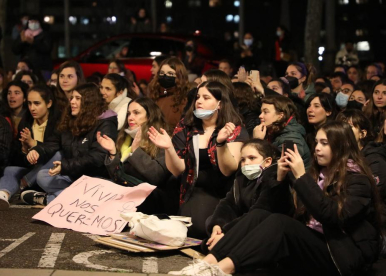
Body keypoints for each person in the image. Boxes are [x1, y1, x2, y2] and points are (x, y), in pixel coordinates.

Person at [169, 121, 383, 276]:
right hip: (314, 242)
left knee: (280, 224)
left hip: (340, 254)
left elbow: (331, 215)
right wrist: (280, 179)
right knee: (262, 215)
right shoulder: (317, 175)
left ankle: (219, 270)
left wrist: (299, 177)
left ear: (341, 147)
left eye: (325, 143)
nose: (317, 147)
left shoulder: (359, 181)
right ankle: (207, 264)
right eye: (316, 142)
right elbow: (275, 209)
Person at [149, 81, 248, 238]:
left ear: (220, 104)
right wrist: (169, 148)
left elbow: (228, 169)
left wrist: (221, 143)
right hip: (193, 190)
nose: (199, 101)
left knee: (203, 228)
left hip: (223, 192)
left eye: (206, 97)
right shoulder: (186, 127)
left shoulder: (233, 129)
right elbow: (177, 169)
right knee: (192, 227)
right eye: (197, 97)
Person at [20, 83, 117, 205]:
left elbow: (98, 157)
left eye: (77, 98)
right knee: (42, 176)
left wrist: (65, 166)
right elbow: (53, 143)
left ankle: (47, 199)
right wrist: (37, 150)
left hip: (96, 178)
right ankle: (71, 198)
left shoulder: (105, 123)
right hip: (74, 177)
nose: (72, 102)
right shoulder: (70, 119)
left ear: (89, 101)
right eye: (71, 98)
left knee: (92, 192)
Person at [0, 85, 60, 210]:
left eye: (37, 103)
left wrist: (33, 144)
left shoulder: (58, 121)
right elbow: (16, 157)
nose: (32, 108)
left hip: (50, 171)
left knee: (57, 155)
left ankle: (23, 183)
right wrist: (24, 150)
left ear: (49, 103)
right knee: (10, 170)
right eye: (29, 103)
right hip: (31, 169)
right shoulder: (27, 122)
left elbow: (55, 147)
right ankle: (3, 195)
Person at [201, 139, 293, 253]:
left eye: (252, 158)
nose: (246, 163)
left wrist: (226, 232)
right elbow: (228, 203)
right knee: (210, 220)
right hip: (244, 222)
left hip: (264, 227)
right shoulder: (241, 177)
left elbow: (257, 215)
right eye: (243, 159)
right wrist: (217, 226)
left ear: (268, 161)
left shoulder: (274, 176)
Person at [98, 97, 173, 214]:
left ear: (150, 116)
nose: (130, 118)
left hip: (151, 201)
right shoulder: (125, 138)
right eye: (129, 113)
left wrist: (136, 150)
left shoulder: (163, 140)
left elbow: (157, 176)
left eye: (136, 113)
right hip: (127, 196)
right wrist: (112, 153)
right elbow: (117, 177)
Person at [253, 95, 311, 169]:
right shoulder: (273, 132)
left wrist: (257, 141)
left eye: (265, 112)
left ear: (280, 116)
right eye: (261, 112)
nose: (260, 116)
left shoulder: (291, 138)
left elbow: (278, 170)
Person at [148, 57, 189, 130]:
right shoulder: (154, 95)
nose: (165, 76)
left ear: (179, 76)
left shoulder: (184, 100)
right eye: (162, 73)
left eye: (170, 73)